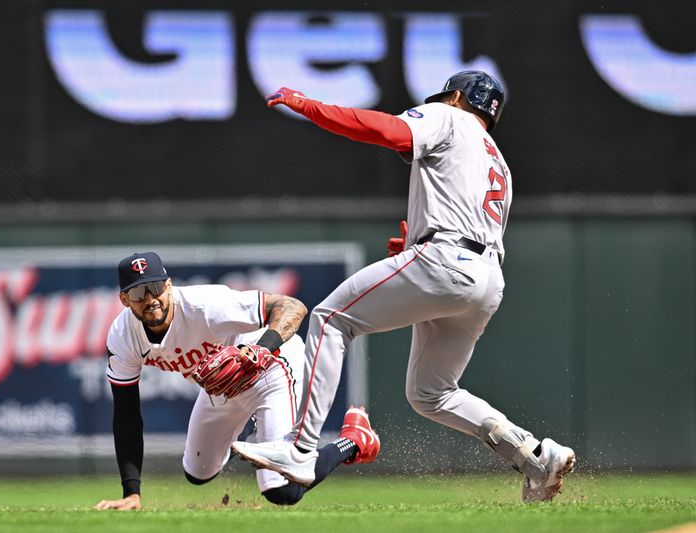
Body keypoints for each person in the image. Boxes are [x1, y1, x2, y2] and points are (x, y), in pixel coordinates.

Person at [231, 71, 575, 502]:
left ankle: (299, 448)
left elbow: (384, 129)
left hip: (446, 261)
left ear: (454, 97)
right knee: (431, 393)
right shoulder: (497, 160)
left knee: (330, 319)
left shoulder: (447, 117)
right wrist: (417, 242)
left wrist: (308, 106)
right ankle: (536, 457)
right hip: (486, 279)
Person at [94, 251, 381, 510]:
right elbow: (126, 414)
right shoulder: (123, 336)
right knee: (198, 472)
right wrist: (132, 492)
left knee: (282, 490)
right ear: (124, 299)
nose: (150, 299)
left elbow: (292, 306)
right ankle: (250, 425)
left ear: (168, 285)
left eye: (155, 287)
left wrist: (261, 349)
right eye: (138, 292)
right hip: (222, 386)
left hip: (270, 369)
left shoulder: (204, 306)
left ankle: (354, 440)